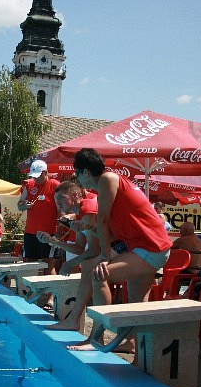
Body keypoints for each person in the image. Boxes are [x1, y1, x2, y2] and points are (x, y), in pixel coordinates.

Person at [69, 148, 173, 352]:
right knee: (137, 300)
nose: (77, 179)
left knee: (99, 275)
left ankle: (96, 339)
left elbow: (103, 220)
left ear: (86, 172)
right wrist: (88, 229)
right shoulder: (111, 184)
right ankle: (132, 343)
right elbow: (109, 232)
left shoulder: (107, 179)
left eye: (77, 174)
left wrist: (105, 257)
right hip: (149, 246)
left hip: (151, 247)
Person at [35, 180, 102, 331]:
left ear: (75, 195)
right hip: (118, 248)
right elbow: (79, 248)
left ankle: (88, 329)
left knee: (93, 273)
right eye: (56, 199)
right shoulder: (80, 214)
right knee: (91, 273)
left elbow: (94, 250)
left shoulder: (88, 207)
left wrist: (69, 263)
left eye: (61, 198)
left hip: (127, 247)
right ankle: (82, 326)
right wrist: (53, 241)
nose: (58, 203)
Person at [17, 160, 60, 310]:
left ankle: (50, 299)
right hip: (30, 232)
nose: (35, 179)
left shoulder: (54, 185)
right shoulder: (29, 185)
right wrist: (24, 205)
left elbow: (61, 209)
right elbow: (19, 205)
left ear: (45, 173)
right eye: (33, 176)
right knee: (29, 264)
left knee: (49, 264)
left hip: (49, 233)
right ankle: (31, 295)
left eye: (38, 176)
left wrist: (58, 232)